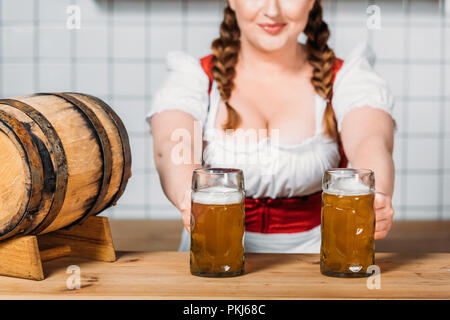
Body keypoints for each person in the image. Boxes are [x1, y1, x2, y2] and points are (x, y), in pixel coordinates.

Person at [146, 0, 396, 253]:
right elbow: (173, 145)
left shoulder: (347, 77)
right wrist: (188, 197)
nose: (272, 10)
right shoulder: (194, 77)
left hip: (323, 255)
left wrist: (376, 195)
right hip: (213, 249)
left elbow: (371, 140)